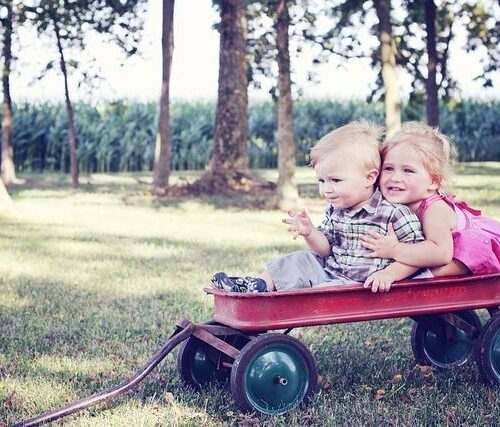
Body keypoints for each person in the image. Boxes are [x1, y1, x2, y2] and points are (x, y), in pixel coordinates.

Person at [212, 121, 425, 294]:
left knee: (318, 294)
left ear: (369, 178)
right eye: (321, 181)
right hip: (330, 271)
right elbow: (325, 249)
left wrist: (390, 274)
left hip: (358, 285)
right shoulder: (336, 208)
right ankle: (257, 286)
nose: (326, 190)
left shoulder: (393, 214)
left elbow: (417, 256)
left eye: (335, 180)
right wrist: (310, 233)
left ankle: (279, 300)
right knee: (300, 259)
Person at [360, 121, 500, 276]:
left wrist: (394, 249)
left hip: (469, 250)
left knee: (429, 269)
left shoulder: (435, 210)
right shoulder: (394, 201)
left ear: (433, 181)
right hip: (439, 248)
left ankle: (420, 279)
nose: (395, 177)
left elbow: (441, 253)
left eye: (408, 171)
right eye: (388, 168)